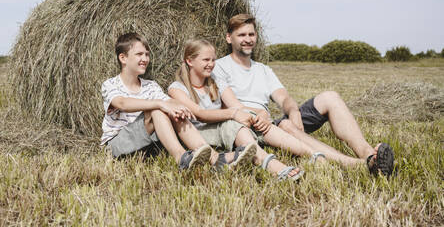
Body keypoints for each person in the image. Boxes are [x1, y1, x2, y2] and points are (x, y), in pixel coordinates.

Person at [211, 14, 395, 176]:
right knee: (285, 125)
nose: (247, 39)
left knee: (330, 97)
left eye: (251, 34)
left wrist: (293, 111)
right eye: (241, 35)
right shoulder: (219, 66)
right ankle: (356, 165)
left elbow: (284, 98)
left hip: (269, 122)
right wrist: (260, 113)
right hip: (249, 127)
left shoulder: (263, 70)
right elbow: (231, 106)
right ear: (229, 38)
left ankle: (369, 154)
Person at [168, 39, 326, 181]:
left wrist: (261, 114)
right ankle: (270, 164)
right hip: (199, 134)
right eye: (206, 60)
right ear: (189, 61)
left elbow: (238, 106)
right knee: (234, 123)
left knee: (253, 120)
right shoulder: (177, 89)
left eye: (213, 59)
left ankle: (312, 154)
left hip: (220, 127)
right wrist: (234, 114)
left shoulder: (216, 83)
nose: (211, 64)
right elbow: (201, 115)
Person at [101, 32, 253, 170]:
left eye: (147, 54)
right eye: (139, 54)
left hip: (149, 145)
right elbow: (122, 103)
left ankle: (214, 158)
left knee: (173, 111)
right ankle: (181, 158)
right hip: (119, 144)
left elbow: (169, 103)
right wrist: (161, 104)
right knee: (157, 109)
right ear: (123, 58)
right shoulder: (111, 84)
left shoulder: (151, 85)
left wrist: (179, 106)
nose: (145, 59)